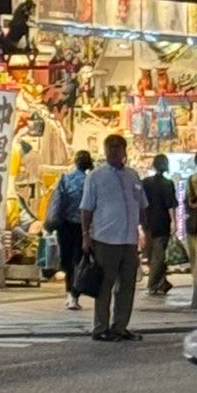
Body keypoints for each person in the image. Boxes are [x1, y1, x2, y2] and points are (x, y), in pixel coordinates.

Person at [79, 133, 144, 342]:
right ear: (105, 151)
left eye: (118, 147)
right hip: (105, 238)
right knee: (104, 285)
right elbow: (86, 209)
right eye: (111, 147)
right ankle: (100, 328)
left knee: (127, 286)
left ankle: (120, 327)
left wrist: (144, 232)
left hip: (129, 239)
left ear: (125, 151)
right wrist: (86, 235)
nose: (114, 151)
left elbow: (142, 204)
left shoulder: (133, 176)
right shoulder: (96, 177)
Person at [46, 149, 93, 309]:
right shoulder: (90, 181)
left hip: (65, 225)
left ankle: (69, 293)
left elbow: (57, 202)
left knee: (67, 260)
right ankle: (74, 294)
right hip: (84, 227)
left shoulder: (65, 179)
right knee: (79, 260)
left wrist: (52, 221)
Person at [139, 151, 178, 300]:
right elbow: (170, 206)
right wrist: (174, 222)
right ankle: (153, 284)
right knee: (159, 254)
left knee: (150, 253)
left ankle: (161, 282)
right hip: (162, 223)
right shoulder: (168, 184)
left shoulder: (145, 182)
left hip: (147, 222)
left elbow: (141, 203)